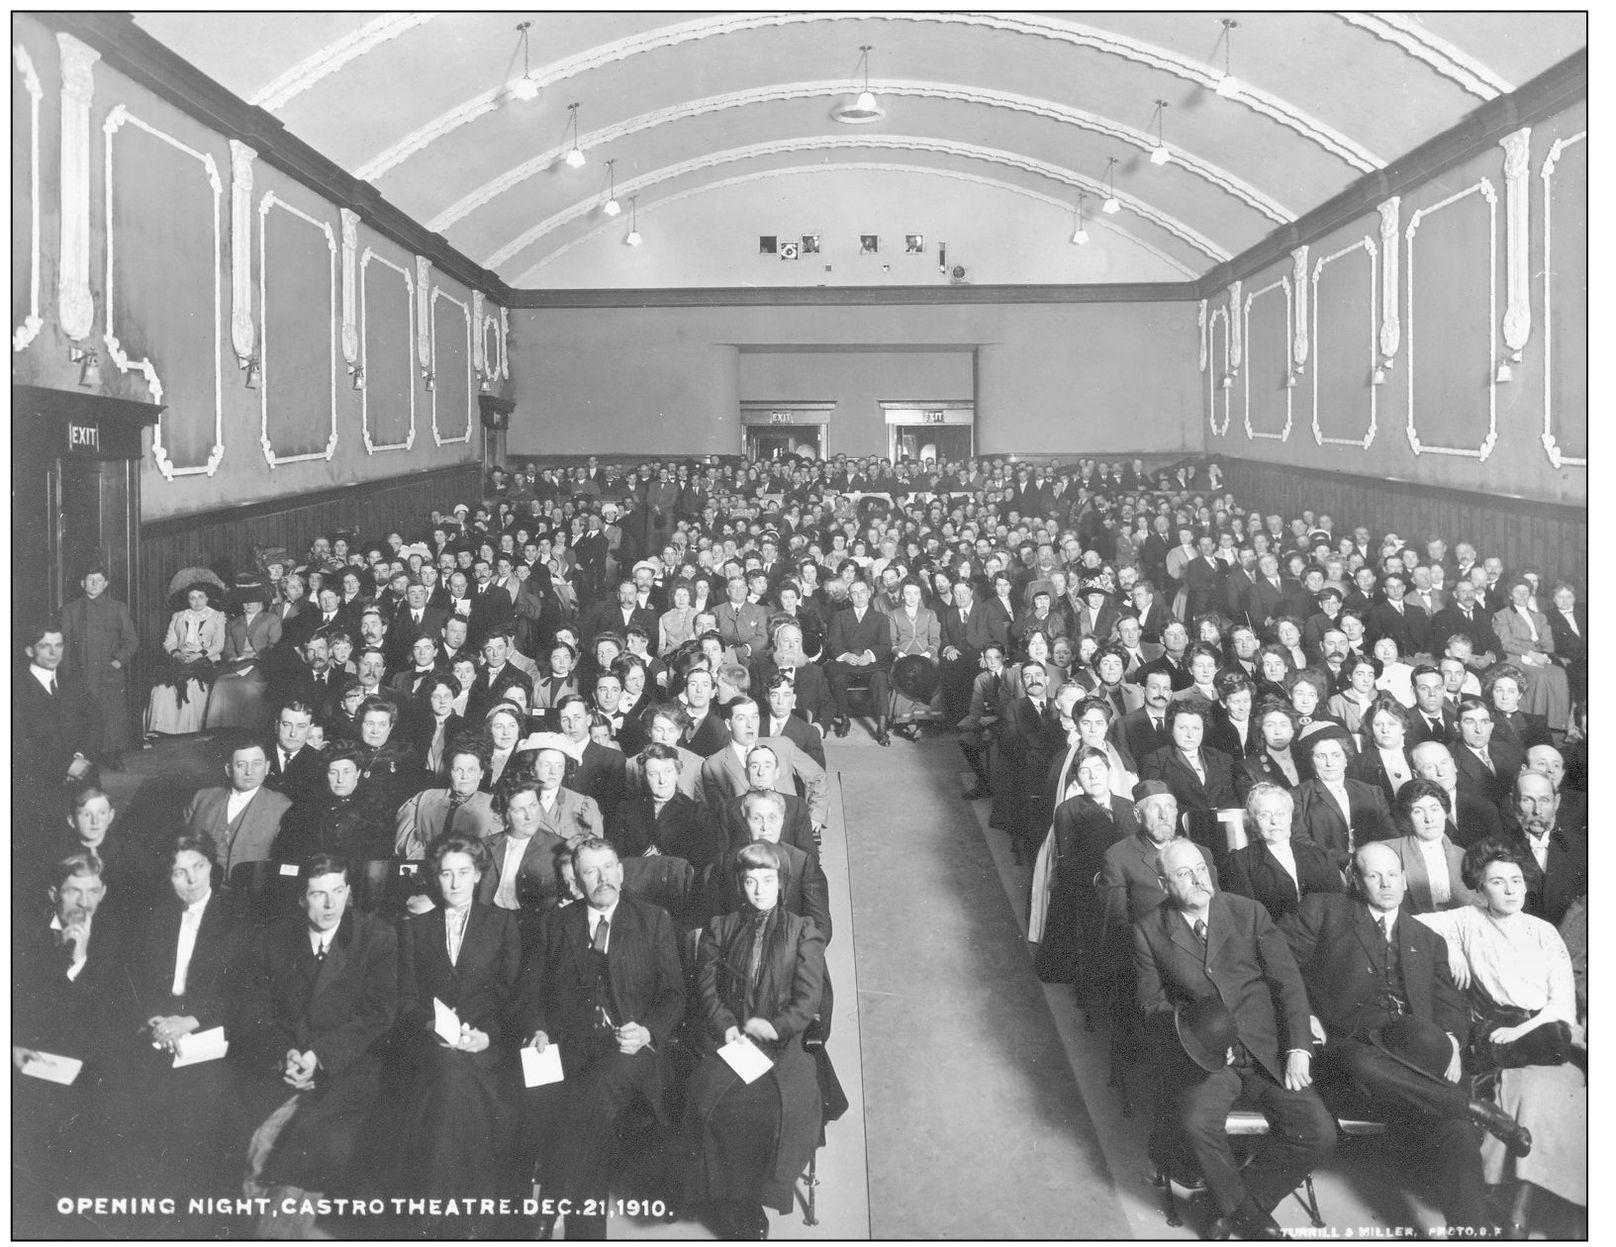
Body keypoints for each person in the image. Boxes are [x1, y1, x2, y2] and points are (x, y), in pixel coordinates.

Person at [1280, 843, 1531, 1234]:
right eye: (1374, 875)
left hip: (1416, 1054)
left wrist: (1449, 1039)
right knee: (1360, 1062)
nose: (1386, 883)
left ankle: (1472, 1233)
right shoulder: (1325, 912)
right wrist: (1305, 1015)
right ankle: (1471, 1107)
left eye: (1393, 874)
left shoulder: (1427, 939)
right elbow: (1277, 966)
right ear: (1356, 881)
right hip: (1347, 1049)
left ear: (1402, 877)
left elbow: (1451, 1006)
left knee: (1455, 1125)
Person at [1132, 838, 1336, 1240]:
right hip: (1207, 1058)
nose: (1197, 879)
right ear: (1162, 882)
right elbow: (1150, 1006)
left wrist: (1299, 1048)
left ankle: (1233, 1208)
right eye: (1183, 874)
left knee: (1319, 1132)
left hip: (1267, 1050)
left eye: (1201, 869)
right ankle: (1250, 1220)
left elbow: (1288, 985)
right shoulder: (1149, 929)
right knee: (1195, 1123)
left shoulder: (1249, 913)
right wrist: (1195, 1039)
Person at [517, 839, 686, 1240]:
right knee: (584, 1106)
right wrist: (537, 1028)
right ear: (576, 880)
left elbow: (675, 994)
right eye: (590, 871)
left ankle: (553, 1204)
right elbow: (531, 990)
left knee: (591, 1095)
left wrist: (647, 1030)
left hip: (631, 1049)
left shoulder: (653, 919)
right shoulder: (555, 923)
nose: (602, 878)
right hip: (569, 1048)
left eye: (608, 867)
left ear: (621, 871)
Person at [1413, 841, 1584, 1235]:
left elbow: (1562, 1007)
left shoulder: (1543, 932)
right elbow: (1409, 924)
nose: (1510, 889)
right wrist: (1450, 945)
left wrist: (1522, 1030)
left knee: (1553, 1087)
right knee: (1530, 1092)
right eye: (1497, 882)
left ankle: (1528, 1211)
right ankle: (1519, 1215)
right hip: (1493, 1036)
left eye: (1516, 880)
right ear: (1479, 888)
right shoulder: (1467, 919)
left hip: (1545, 1035)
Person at [232, 854, 399, 1235]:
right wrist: (286, 1055)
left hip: (348, 1066)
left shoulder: (377, 937)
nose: (330, 905)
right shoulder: (272, 938)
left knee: (315, 1141)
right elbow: (256, 1013)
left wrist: (318, 1057)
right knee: (252, 1136)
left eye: (338, 892)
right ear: (301, 899)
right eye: (318, 894)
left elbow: (378, 1015)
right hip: (284, 1064)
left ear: (349, 893)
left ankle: (280, 1233)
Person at [682, 841, 827, 1239]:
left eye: (768, 880)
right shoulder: (720, 927)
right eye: (750, 882)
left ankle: (750, 1203)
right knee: (708, 1103)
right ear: (740, 885)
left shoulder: (803, 931)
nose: (759, 890)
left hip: (784, 1045)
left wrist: (775, 1027)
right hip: (731, 1041)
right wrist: (727, 1024)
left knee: (768, 1114)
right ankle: (726, 1198)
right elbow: (707, 987)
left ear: (781, 883)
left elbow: (808, 998)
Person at [103, 835, 246, 1215]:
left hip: (210, 1028)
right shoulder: (156, 912)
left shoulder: (238, 913)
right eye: (179, 872)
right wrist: (151, 1019)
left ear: (212, 866)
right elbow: (133, 978)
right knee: (121, 1087)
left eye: (198, 867)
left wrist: (191, 1019)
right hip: (159, 1023)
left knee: (198, 1104)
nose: (191, 880)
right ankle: (138, 1205)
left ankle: (194, 1210)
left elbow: (244, 990)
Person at [390, 833, 524, 1216]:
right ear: (436, 877)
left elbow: (511, 996)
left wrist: (487, 1036)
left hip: (488, 1043)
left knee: (454, 1081)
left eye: (463, 873)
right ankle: (460, 1218)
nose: (454, 882)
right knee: (448, 1073)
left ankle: (442, 1216)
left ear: (478, 875)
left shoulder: (502, 923)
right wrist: (431, 1025)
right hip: (430, 1041)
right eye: (446, 874)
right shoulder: (415, 927)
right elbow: (407, 1000)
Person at [17, 622, 102, 847]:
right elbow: (18, 746)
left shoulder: (74, 683)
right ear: (29, 651)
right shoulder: (16, 690)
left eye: (59, 645)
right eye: (45, 646)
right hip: (41, 787)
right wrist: (65, 765)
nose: (54, 652)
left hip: (84, 779)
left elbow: (94, 725)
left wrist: (81, 757)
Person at [1221, 783, 1344, 921]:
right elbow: (1245, 919)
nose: (1274, 821)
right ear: (1254, 821)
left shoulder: (1320, 856)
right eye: (1264, 815)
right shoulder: (1240, 861)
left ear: (1290, 817)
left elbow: (1337, 912)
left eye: (1280, 813)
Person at [60, 566, 138, 765]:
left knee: (111, 715)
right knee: (83, 716)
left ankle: (114, 755)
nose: (94, 583)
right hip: (81, 673)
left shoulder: (118, 608)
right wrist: (66, 673)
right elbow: (64, 644)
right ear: (82, 583)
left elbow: (131, 640)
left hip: (108, 672)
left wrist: (118, 661)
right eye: (90, 579)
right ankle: (85, 757)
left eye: (99, 580)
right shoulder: (70, 610)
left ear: (106, 584)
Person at [1288, 725, 1395, 869]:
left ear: (1346, 758)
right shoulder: (1298, 795)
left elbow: (1391, 836)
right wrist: (1347, 861)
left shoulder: (1372, 791)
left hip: (1373, 867)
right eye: (1321, 756)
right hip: (1326, 869)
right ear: (1311, 761)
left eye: (1336, 755)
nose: (1329, 763)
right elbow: (1301, 842)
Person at [183, 740, 293, 879]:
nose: (249, 771)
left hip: (249, 893)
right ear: (228, 769)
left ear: (266, 767)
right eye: (241, 765)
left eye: (256, 764)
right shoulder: (203, 797)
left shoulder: (282, 806)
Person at [1504, 771, 1585, 925]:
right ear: (1513, 802)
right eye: (1527, 800)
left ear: (1557, 802)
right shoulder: (1498, 850)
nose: (1537, 810)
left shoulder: (1581, 846)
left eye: (1545, 800)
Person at [394, 742, 499, 859]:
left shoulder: (493, 806)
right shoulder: (423, 798)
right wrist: (432, 859)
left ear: (481, 773)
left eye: (471, 770)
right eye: (458, 770)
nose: (465, 776)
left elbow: (493, 849)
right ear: (449, 772)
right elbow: (403, 842)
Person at [146, 581, 226, 736]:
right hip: (180, 658)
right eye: (192, 598)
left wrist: (200, 654)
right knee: (162, 687)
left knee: (192, 686)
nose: (197, 602)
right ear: (187, 600)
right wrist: (176, 653)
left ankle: (188, 731)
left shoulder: (217, 616)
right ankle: (162, 729)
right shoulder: (179, 616)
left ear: (207, 598)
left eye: (200, 597)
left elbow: (219, 644)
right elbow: (169, 641)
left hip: (205, 660)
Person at [1390, 779, 1480, 914]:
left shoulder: (1463, 855)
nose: (1429, 819)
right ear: (1407, 817)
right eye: (1418, 811)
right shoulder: (1391, 853)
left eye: (1434, 809)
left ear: (1445, 813)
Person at [823, 578, 894, 742]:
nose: (859, 596)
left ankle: (882, 725)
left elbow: (885, 645)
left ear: (869, 594)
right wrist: (846, 656)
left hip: (871, 665)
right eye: (854, 593)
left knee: (881, 677)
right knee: (837, 678)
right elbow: (832, 643)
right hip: (847, 664)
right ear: (849, 596)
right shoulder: (839, 617)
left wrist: (869, 656)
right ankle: (844, 720)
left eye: (862, 592)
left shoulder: (881, 618)